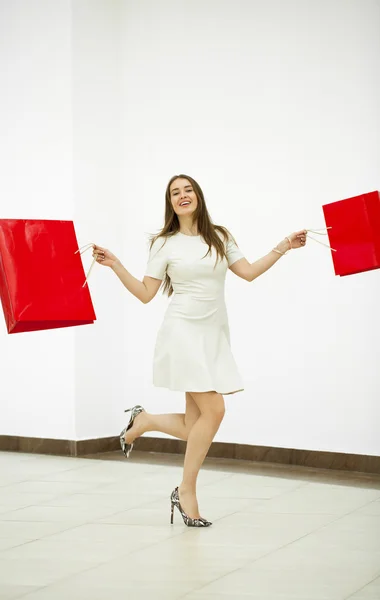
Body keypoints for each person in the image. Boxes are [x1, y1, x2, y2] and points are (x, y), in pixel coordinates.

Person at [92, 174, 307, 527]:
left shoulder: (220, 237)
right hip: (182, 333)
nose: (182, 196)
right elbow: (146, 293)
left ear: (198, 195)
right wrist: (115, 264)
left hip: (213, 334)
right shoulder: (164, 243)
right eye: (175, 193)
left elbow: (248, 272)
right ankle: (186, 490)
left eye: (187, 189)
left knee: (196, 423)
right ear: (170, 203)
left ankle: (143, 421)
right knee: (215, 410)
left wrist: (285, 244)